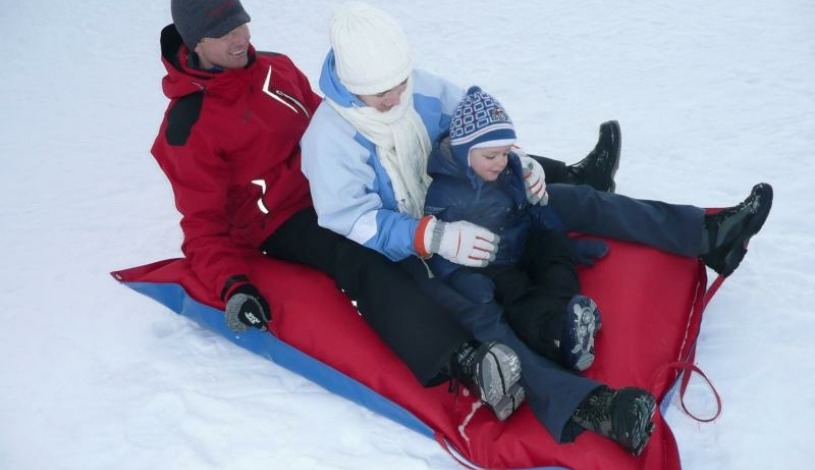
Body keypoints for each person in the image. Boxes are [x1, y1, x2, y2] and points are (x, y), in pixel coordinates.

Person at [301, 1, 699, 454]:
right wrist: (430, 236)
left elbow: (478, 124)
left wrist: (518, 163)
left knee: (567, 199)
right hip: (410, 253)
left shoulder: (421, 89)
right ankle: (594, 407)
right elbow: (350, 217)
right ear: (351, 86)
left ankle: (704, 233)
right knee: (480, 316)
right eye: (379, 93)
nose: (394, 98)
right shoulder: (330, 140)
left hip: (469, 205)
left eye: (399, 83)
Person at [150, 0, 543, 423]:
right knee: (362, 260)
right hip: (285, 216)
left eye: (241, 23)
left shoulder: (274, 68)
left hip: (337, 178)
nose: (242, 37)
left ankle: (564, 177)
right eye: (225, 32)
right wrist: (232, 285)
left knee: (453, 158)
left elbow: (334, 120)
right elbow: (202, 225)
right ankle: (462, 360)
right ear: (196, 41)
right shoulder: (186, 128)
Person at [425, 85, 611, 372]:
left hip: (523, 241)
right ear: (464, 153)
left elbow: (536, 206)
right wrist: (461, 279)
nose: (501, 161)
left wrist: (563, 244)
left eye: (505, 152)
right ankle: (556, 338)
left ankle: (572, 319)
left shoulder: (510, 169)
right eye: (491, 156)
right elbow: (438, 251)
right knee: (518, 294)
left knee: (554, 258)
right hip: (491, 263)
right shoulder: (444, 194)